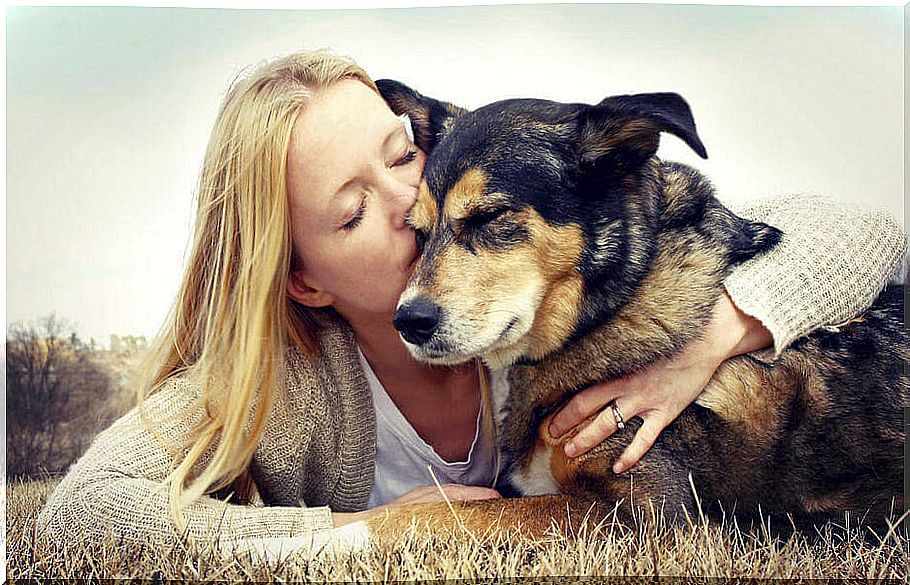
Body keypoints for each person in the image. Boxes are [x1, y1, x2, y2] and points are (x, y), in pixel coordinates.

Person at [36, 50, 905, 551]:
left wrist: (714, 335)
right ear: (304, 277)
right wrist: (361, 535)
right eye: (350, 212)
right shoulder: (288, 385)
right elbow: (81, 514)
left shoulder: (540, 301)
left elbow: (858, 231)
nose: (411, 207)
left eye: (400, 153)